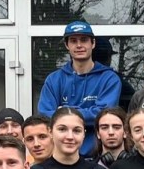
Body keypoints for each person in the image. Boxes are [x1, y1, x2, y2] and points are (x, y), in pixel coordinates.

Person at [37, 21, 121, 156]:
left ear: (92, 44)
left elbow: (103, 116)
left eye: (84, 40)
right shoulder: (54, 80)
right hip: (60, 157)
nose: (79, 45)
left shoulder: (109, 79)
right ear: (67, 45)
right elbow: (45, 116)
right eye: (73, 41)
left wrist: (64, 112)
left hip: (96, 157)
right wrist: (87, 114)